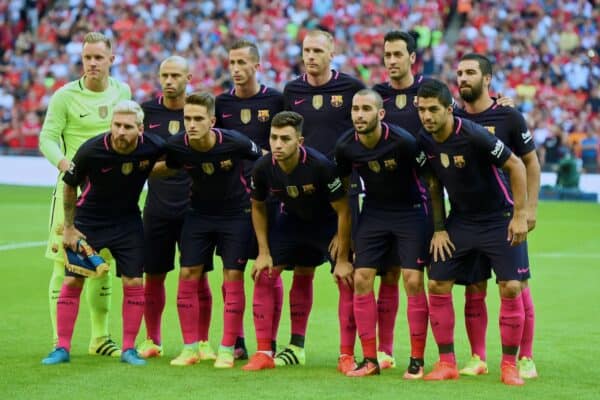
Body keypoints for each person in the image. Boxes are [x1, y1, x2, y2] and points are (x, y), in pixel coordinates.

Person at [415, 79, 529, 386]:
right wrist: (439, 228)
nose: (427, 116)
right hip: (461, 220)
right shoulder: (424, 140)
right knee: (437, 283)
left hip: (497, 218)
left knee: (510, 287)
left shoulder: (474, 135)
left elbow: (517, 166)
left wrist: (520, 215)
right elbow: (433, 185)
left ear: (449, 108)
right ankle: (446, 362)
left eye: (433, 109)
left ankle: (509, 365)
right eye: (422, 110)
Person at [41, 100, 165, 366]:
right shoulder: (92, 150)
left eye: (127, 127)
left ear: (140, 129)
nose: (120, 131)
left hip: (128, 222)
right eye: (116, 125)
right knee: (73, 281)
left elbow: (175, 160)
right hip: (89, 222)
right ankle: (61, 347)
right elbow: (69, 185)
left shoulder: (153, 146)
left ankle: (129, 349)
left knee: (133, 283)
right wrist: (71, 228)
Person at [334, 89, 442, 377]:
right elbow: (344, 194)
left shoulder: (404, 143)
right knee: (361, 278)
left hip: (410, 211)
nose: (359, 115)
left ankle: (416, 362)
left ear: (380, 114)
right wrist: (344, 248)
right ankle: (370, 360)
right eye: (356, 109)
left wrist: (437, 230)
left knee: (413, 280)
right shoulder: (345, 147)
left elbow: (432, 183)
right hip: (374, 212)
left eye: (366, 109)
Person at [38, 31, 131, 358]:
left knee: (101, 265)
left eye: (98, 57)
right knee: (65, 267)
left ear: (111, 60)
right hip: (72, 195)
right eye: (87, 57)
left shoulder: (123, 91)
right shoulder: (64, 96)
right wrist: (65, 163)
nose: (92, 63)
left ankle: (100, 338)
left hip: (111, 195)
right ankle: (58, 342)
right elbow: (46, 138)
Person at [155, 92, 262, 368]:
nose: (191, 124)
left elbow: (263, 159)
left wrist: (260, 193)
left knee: (232, 275)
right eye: (187, 118)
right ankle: (190, 348)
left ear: (212, 121)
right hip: (198, 215)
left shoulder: (235, 142)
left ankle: (227, 348)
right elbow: (163, 165)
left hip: (236, 215)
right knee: (188, 273)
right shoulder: (177, 146)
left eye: (198, 119)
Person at [242, 111, 352, 371]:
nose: (277, 144)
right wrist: (263, 252)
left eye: (285, 139)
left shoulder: (321, 166)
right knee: (263, 274)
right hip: (291, 222)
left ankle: (346, 355)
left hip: (326, 225)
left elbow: (344, 209)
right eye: (273, 138)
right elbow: (257, 207)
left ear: (299, 141)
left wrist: (344, 254)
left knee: (347, 279)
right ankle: (264, 352)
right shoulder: (263, 167)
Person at [454, 53, 541, 379]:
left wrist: (529, 209)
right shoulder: (453, 118)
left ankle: (526, 357)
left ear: (487, 78)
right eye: (460, 72)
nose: (463, 78)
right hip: (466, 217)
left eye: (471, 72)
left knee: (516, 285)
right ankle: (478, 357)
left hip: (505, 215)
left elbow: (531, 163)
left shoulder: (508, 116)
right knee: (473, 287)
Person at [283, 29, 365, 372]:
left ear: (332, 53)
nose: (311, 56)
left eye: (318, 50)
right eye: (306, 50)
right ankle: (296, 346)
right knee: (300, 271)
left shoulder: (351, 89)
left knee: (345, 273)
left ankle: (346, 353)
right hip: (302, 198)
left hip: (341, 196)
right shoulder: (291, 90)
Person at [136, 56, 216, 361]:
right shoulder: (147, 111)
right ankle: (152, 339)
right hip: (157, 207)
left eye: (175, 75)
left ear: (189, 77)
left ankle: (204, 341)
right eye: (164, 75)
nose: (169, 81)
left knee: (198, 275)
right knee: (153, 275)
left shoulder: (198, 112)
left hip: (195, 209)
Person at [215, 40, 285, 358]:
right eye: (232, 62)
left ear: (257, 66)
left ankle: (267, 343)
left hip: (269, 198)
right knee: (232, 270)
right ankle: (237, 340)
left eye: (242, 62)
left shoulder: (275, 99)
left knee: (269, 269)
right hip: (230, 200)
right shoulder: (220, 104)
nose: (236, 69)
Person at [371, 30, 431, 377]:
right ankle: (385, 351)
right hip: (379, 201)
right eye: (387, 54)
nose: (391, 60)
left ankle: (418, 356)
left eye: (397, 54)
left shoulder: (429, 92)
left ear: (412, 57)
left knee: (413, 279)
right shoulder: (376, 97)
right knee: (386, 276)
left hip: (418, 201)